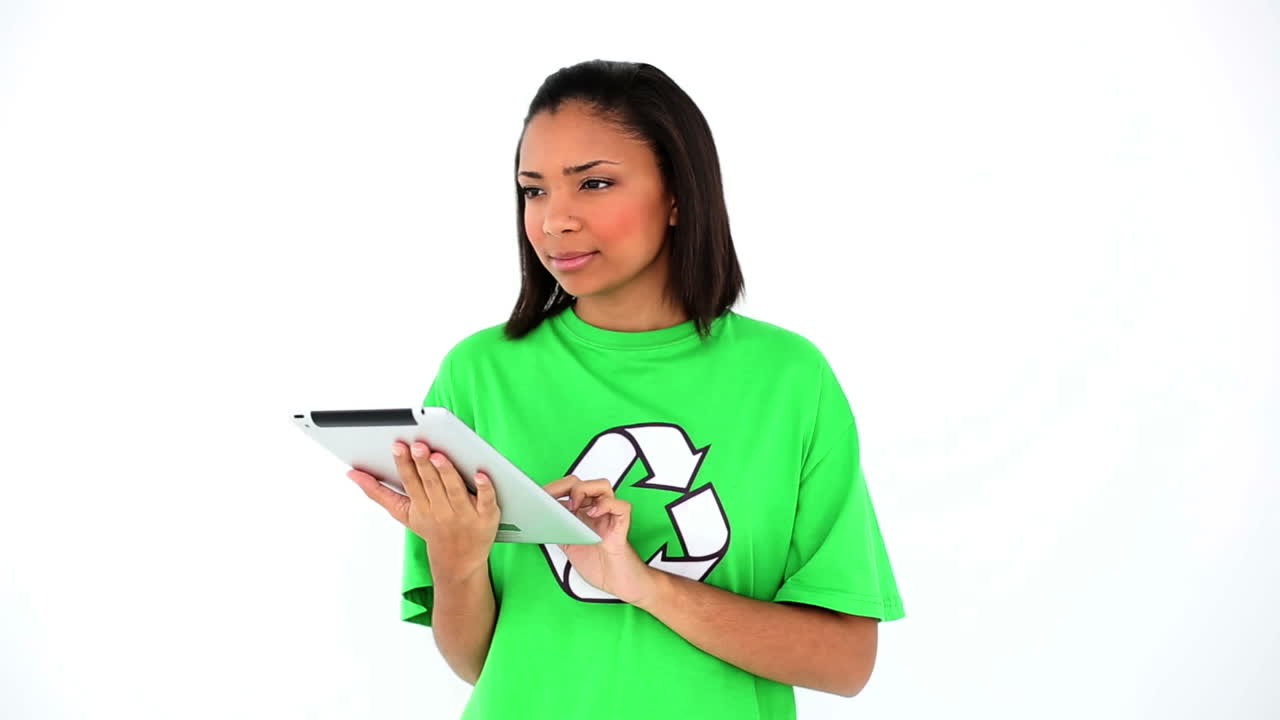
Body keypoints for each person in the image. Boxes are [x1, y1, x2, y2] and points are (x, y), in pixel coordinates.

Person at [347, 59, 905, 720]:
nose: (555, 220)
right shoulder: (478, 375)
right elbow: (480, 665)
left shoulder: (789, 379)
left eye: (595, 183)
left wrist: (641, 583)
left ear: (678, 194)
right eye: (534, 191)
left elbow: (845, 663)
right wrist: (456, 560)